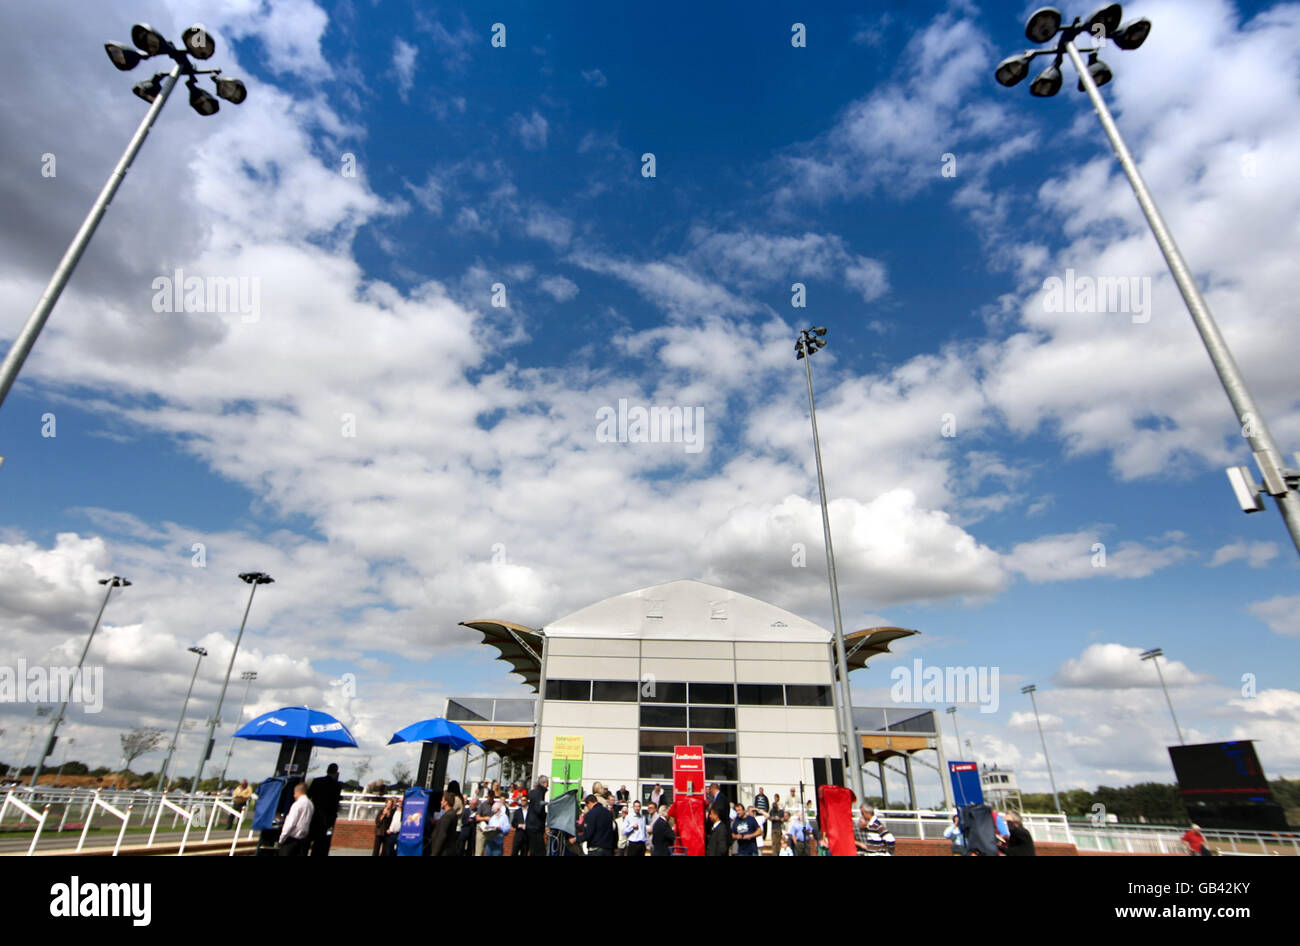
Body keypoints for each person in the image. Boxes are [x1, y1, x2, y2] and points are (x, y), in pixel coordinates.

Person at [307, 763, 343, 857]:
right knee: (323, 842)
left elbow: (309, 795)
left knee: (309, 837)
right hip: (328, 818)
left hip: (314, 815)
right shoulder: (337, 786)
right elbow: (335, 802)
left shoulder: (317, 781)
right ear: (336, 772)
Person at [278, 782, 314, 856]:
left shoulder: (297, 804)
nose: (294, 796)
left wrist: (282, 838)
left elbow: (291, 823)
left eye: (294, 793)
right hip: (303, 840)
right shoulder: (310, 804)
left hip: (292, 840)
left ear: (298, 792)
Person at [526, 775, 549, 855]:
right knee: (540, 852)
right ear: (544, 783)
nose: (548, 786)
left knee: (534, 851)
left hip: (531, 826)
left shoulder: (535, 792)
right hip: (536, 827)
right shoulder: (539, 793)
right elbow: (538, 809)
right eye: (547, 783)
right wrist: (545, 814)